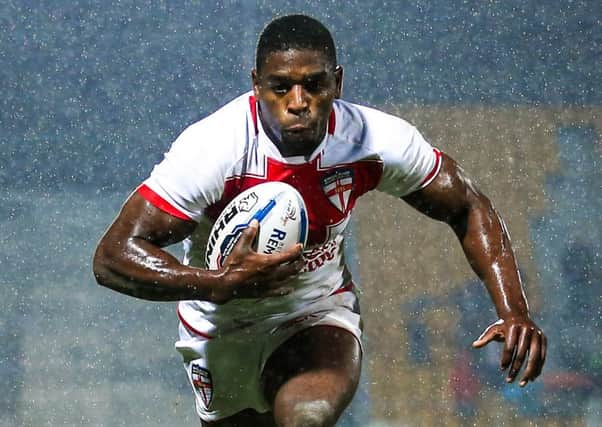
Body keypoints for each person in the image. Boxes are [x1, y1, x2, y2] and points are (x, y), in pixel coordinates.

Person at [93, 14, 547, 427]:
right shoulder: (213, 149)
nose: (298, 102)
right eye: (280, 87)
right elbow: (113, 257)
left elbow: (467, 205)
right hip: (220, 325)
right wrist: (216, 284)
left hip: (315, 309)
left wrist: (513, 309)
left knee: (306, 417)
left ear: (338, 82)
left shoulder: (374, 140)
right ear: (256, 85)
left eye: (314, 84)